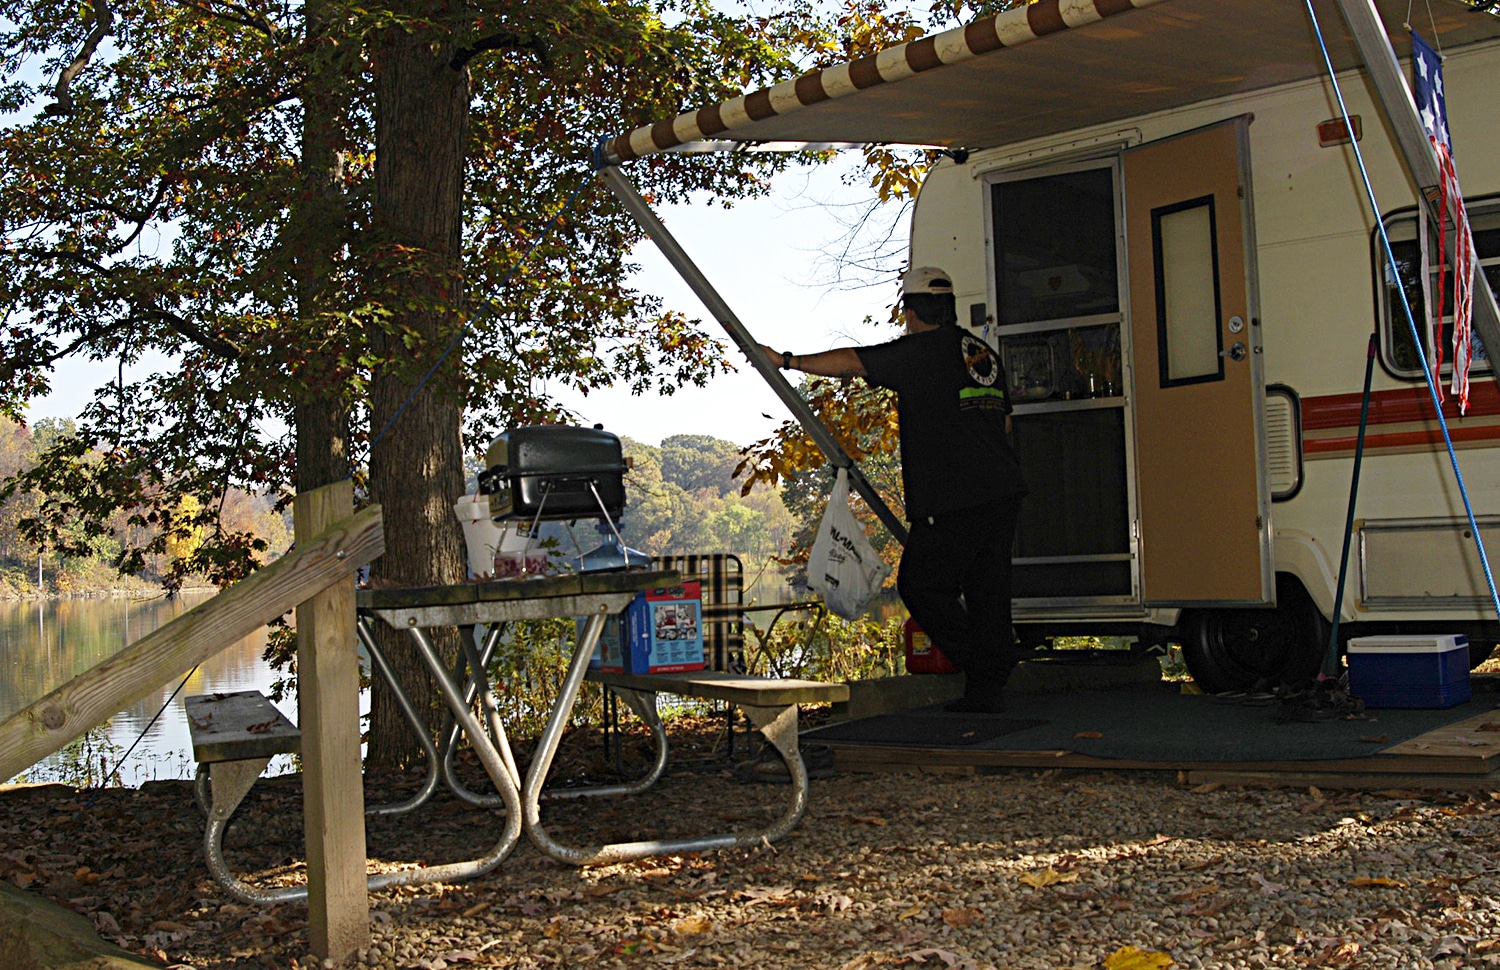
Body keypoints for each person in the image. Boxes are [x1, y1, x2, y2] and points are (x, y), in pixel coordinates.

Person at [763, 266, 1027, 713]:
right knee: (987, 589)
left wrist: (787, 361)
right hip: (1002, 489)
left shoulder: (922, 351)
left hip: (957, 496)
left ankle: (984, 669)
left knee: (921, 585)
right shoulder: (980, 353)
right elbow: (1004, 421)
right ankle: (989, 687)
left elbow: (852, 361)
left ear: (912, 310)